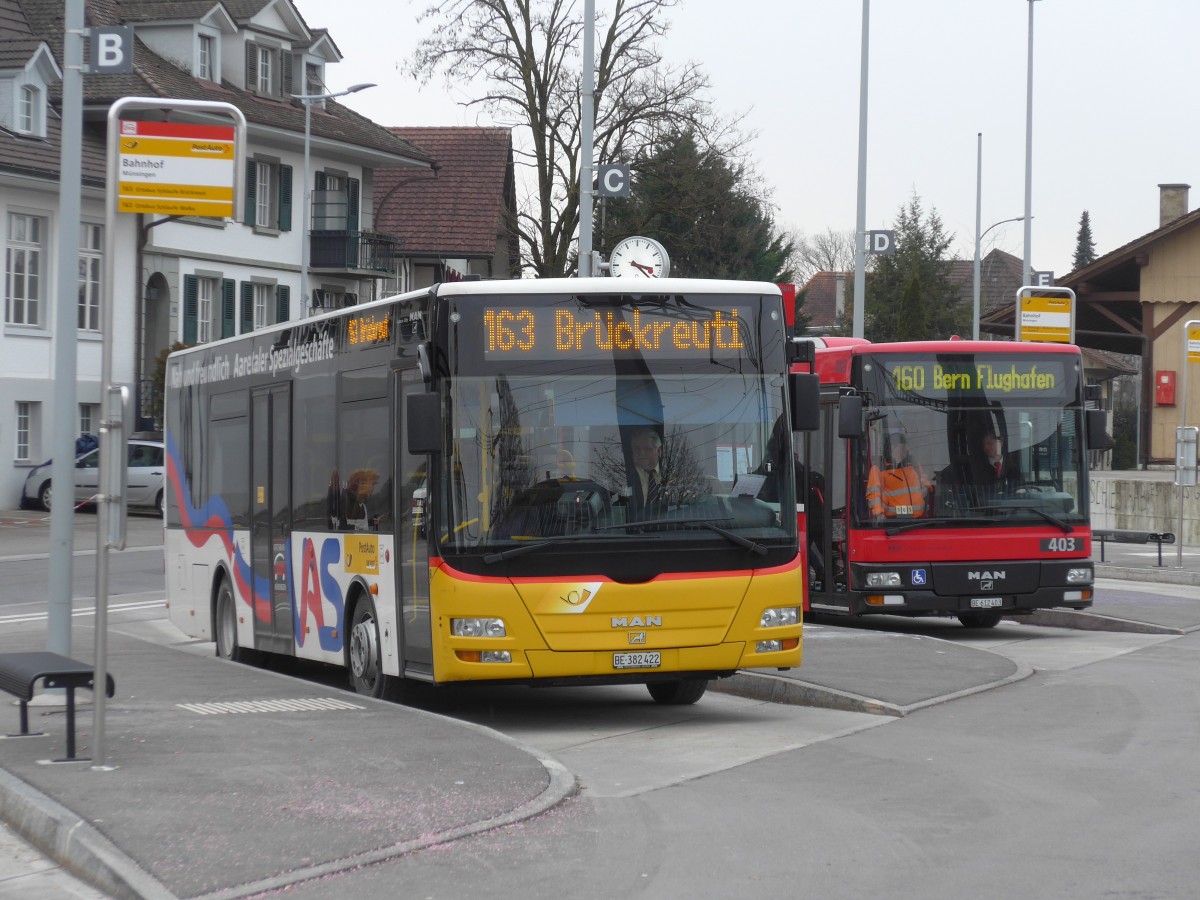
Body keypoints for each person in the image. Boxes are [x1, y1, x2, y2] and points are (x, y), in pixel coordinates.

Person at [866, 431, 932, 519]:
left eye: (906, 447)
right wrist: (879, 514)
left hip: (918, 519)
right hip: (893, 522)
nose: (906, 450)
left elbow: (924, 480)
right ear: (893, 447)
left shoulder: (913, 464)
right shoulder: (879, 468)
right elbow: (874, 494)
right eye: (903, 447)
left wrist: (925, 488)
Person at [629, 427, 666, 512]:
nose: (641, 453)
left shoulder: (674, 473)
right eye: (637, 449)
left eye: (647, 449)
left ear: (659, 451)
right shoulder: (624, 477)